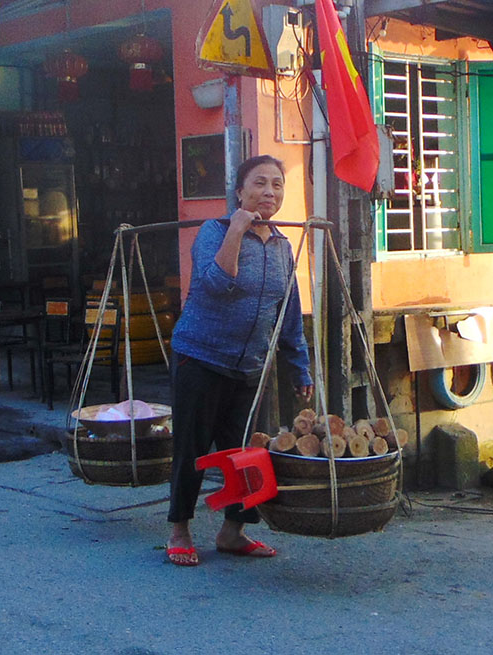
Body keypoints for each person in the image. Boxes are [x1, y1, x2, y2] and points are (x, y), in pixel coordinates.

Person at [165, 155, 313, 567]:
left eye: (277, 185)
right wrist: (236, 229)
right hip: (200, 357)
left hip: (250, 366)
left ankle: (234, 531)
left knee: (245, 452)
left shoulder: (283, 247)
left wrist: (299, 365)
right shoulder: (213, 231)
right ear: (239, 191)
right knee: (192, 448)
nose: (269, 192)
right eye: (260, 183)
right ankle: (179, 529)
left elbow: (288, 310)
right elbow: (216, 284)